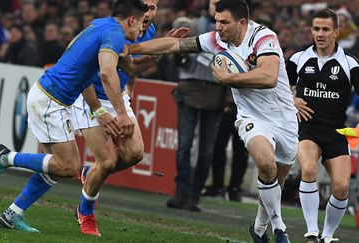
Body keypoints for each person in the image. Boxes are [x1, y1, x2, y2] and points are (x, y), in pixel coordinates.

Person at [126, 0, 298, 242]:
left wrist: (231, 78)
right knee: (266, 163)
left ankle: (260, 226)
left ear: (242, 23)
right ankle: (280, 230)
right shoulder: (217, 39)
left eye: (224, 22)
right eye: (216, 21)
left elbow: (268, 77)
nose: (218, 27)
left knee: (275, 181)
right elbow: (175, 44)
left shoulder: (263, 37)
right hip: (251, 116)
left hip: (284, 118)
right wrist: (132, 49)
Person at [0, 0, 148, 234]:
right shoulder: (114, 33)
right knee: (68, 166)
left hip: (55, 99)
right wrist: (121, 113)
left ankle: (12, 214)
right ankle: (6, 158)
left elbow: (87, 76)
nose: (142, 28)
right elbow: (107, 73)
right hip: (51, 100)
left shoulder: (99, 25)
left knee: (58, 167)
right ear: (132, 19)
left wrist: (100, 111)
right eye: (141, 22)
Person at [71, 0, 188, 236]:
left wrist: (133, 85)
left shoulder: (149, 31)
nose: (148, 11)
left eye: (153, 7)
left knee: (134, 154)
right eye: (145, 5)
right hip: (90, 94)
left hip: (116, 97)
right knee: (107, 162)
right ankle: (86, 214)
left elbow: (132, 67)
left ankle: (89, 174)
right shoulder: (115, 29)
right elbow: (107, 69)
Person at [286, 9, 359, 243]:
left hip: (337, 131)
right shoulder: (298, 59)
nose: (320, 33)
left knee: (342, 187)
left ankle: (327, 235)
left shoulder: (350, 63)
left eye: (326, 29)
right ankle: (312, 232)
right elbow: (278, 86)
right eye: (316, 29)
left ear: (336, 32)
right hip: (307, 128)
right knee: (307, 170)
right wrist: (291, 99)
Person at [165, 0, 227, 213]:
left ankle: (194, 195)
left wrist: (229, 98)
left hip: (216, 93)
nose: (216, 5)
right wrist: (177, 54)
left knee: (205, 152)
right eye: (214, 2)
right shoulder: (192, 26)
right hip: (190, 87)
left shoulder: (232, 33)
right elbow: (176, 59)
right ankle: (181, 191)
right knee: (184, 146)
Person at [203, 88, 249, 202]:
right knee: (219, 147)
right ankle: (219, 186)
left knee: (241, 151)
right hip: (228, 105)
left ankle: (234, 188)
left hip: (245, 106)